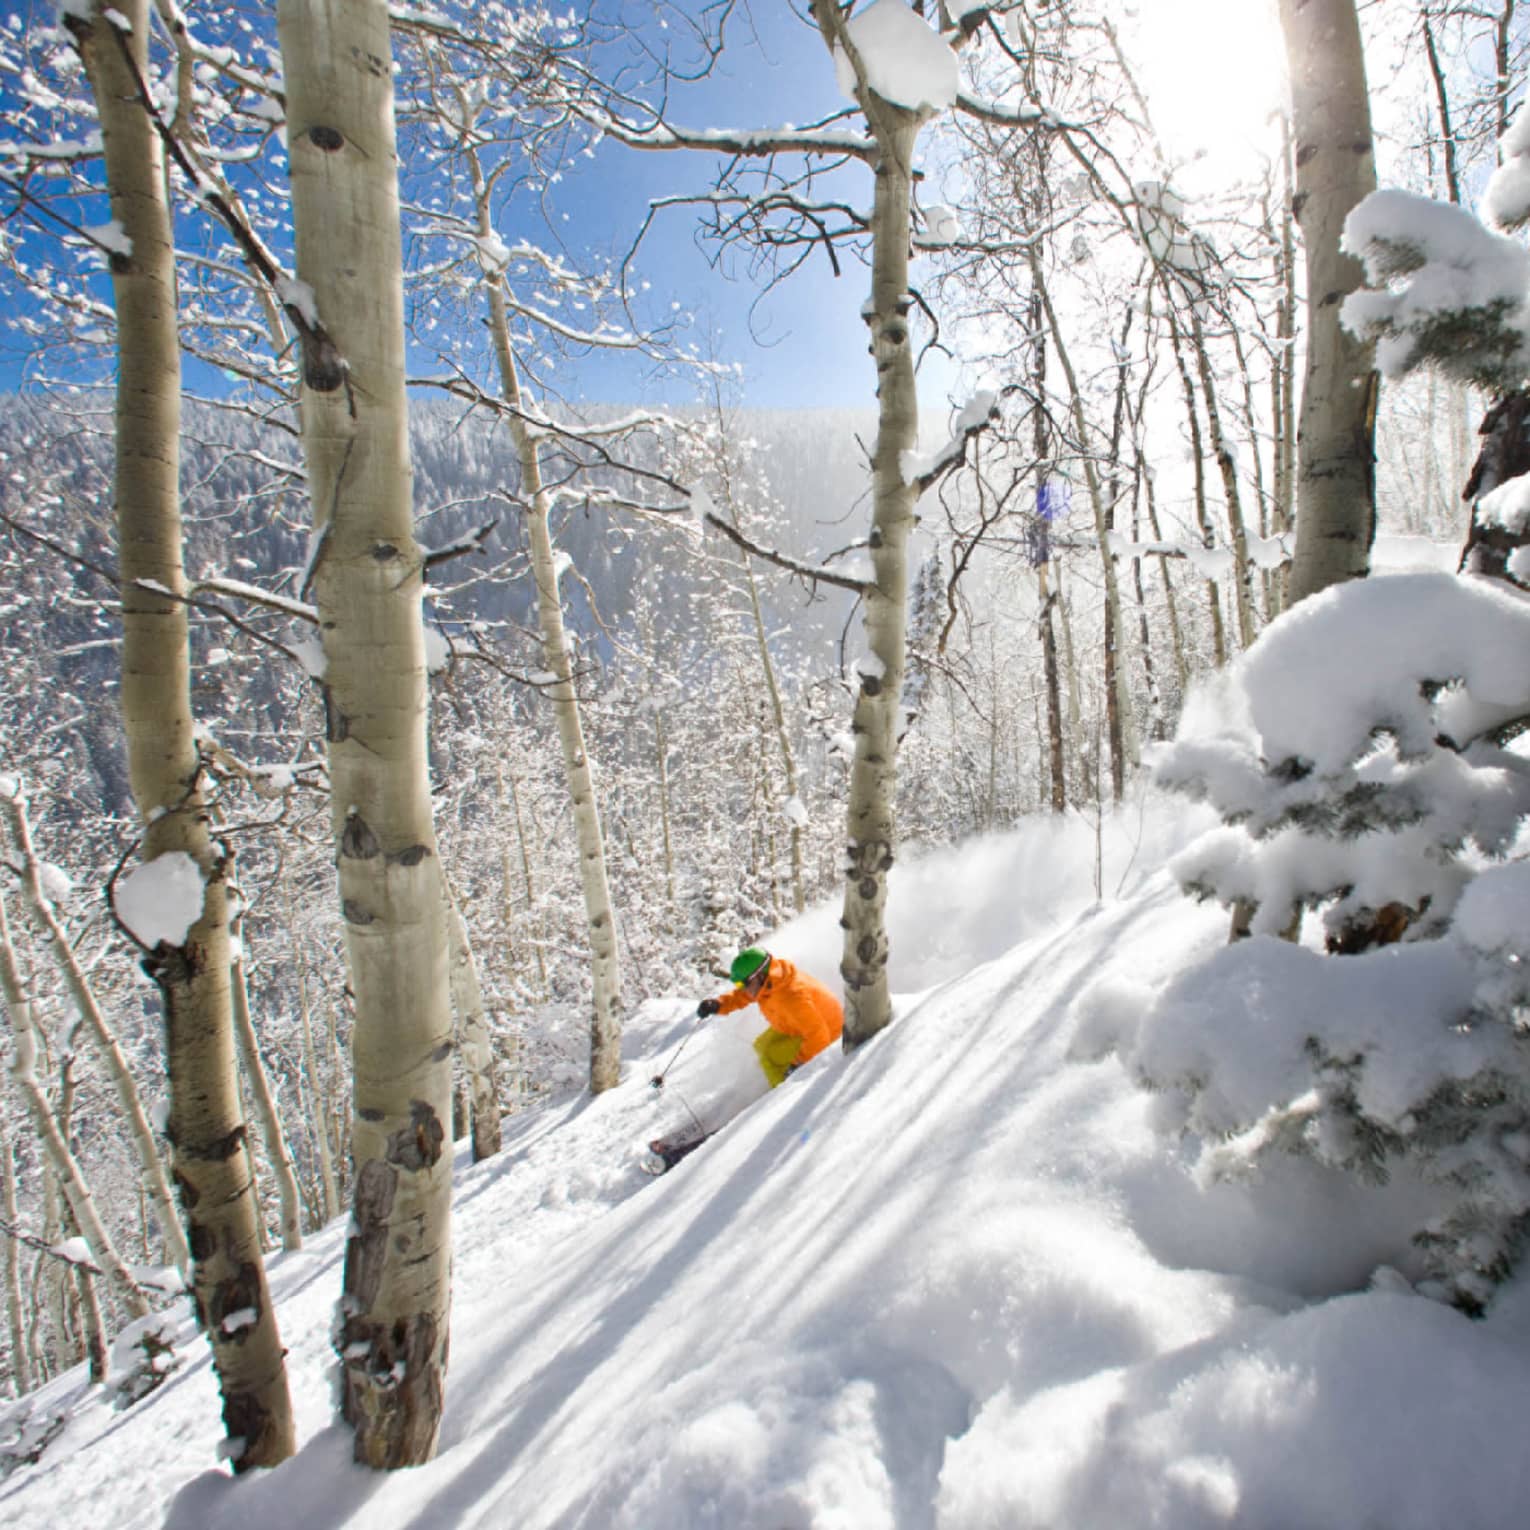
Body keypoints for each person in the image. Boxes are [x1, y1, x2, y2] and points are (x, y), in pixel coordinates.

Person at [697, 946, 843, 1088]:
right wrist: (719, 1004)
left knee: (770, 1056)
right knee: (761, 1045)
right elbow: (743, 995)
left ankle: (786, 1092)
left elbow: (818, 1035)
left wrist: (799, 1065)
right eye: (739, 984)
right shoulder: (769, 983)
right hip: (798, 1026)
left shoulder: (791, 997)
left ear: (760, 975)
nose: (743, 989)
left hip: (829, 1033)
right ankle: (783, 1083)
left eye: (744, 983)